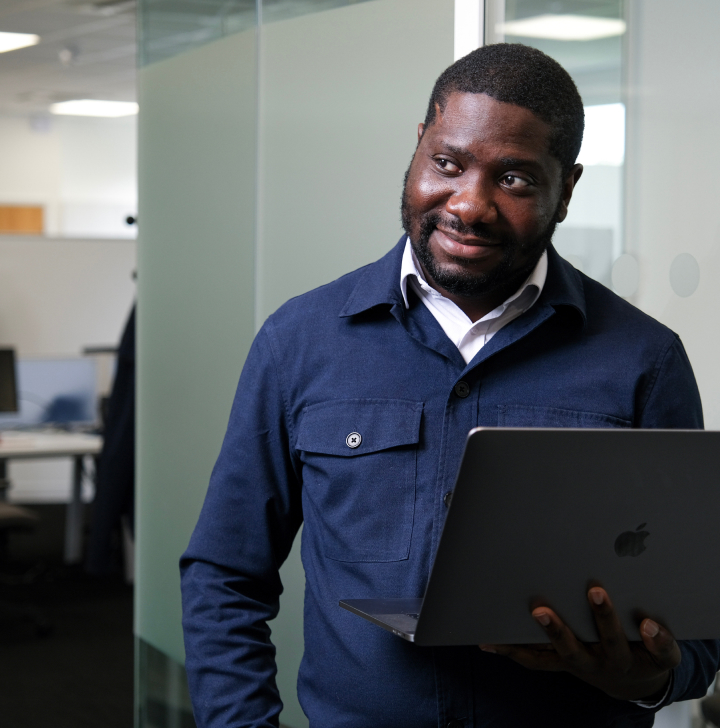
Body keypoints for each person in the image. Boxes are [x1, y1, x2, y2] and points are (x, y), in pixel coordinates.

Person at [180, 44, 720, 727]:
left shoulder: (646, 361)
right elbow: (225, 576)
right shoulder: (300, 341)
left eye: (516, 179)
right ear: (418, 148)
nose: (470, 204)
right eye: (448, 163)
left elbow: (698, 634)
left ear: (568, 189)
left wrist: (647, 674)